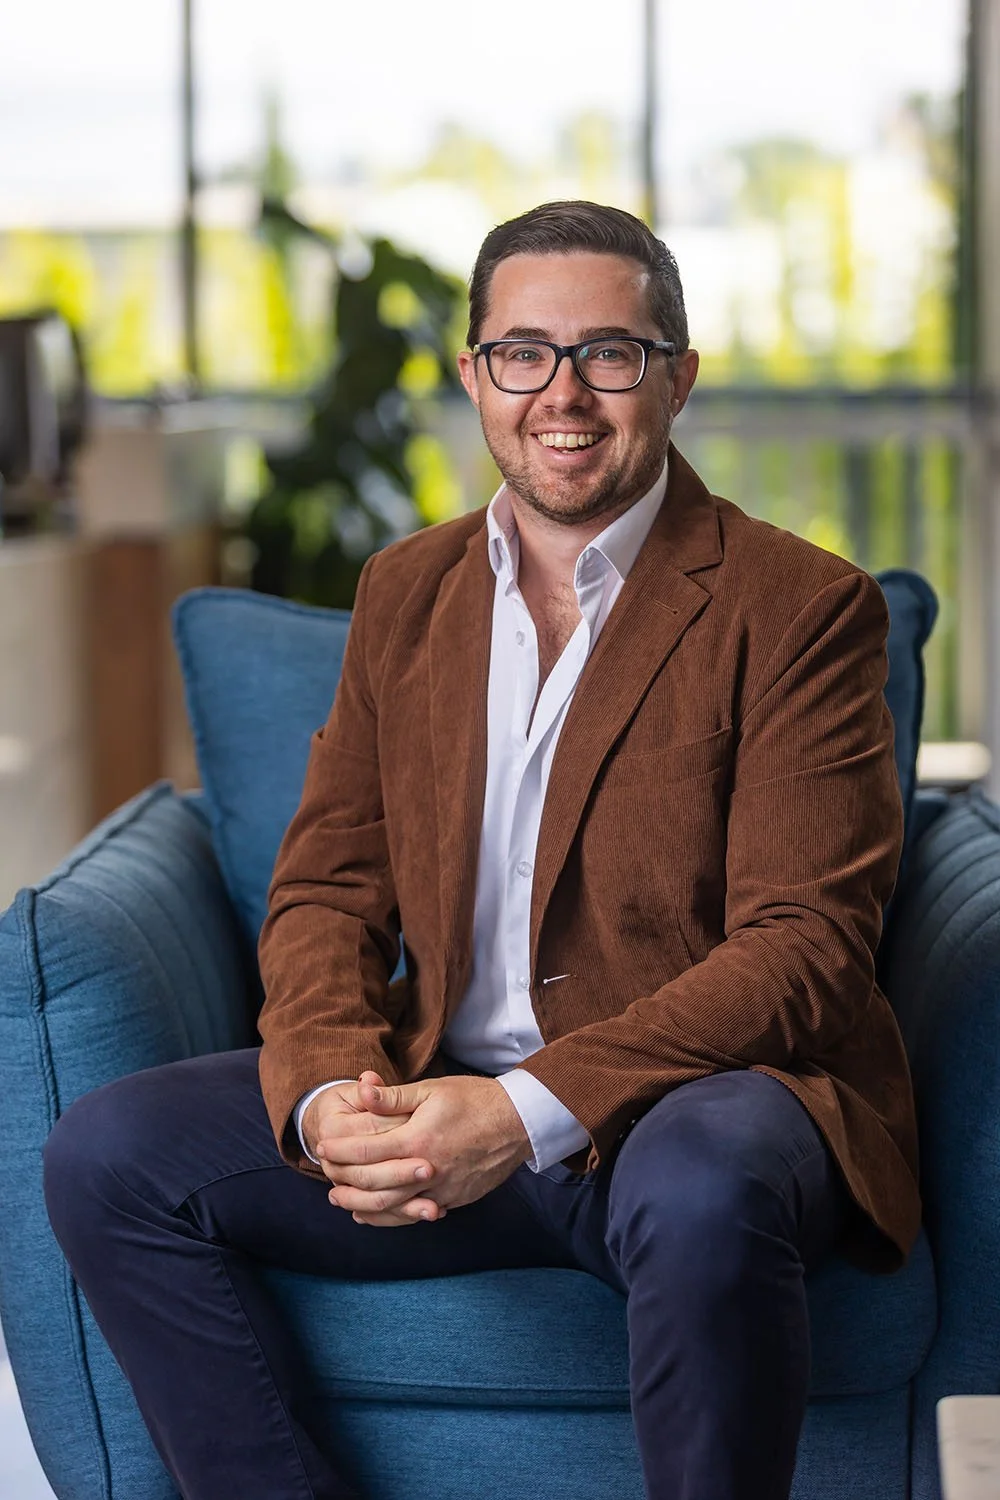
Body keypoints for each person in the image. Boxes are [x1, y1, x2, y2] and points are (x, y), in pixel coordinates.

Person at [43, 200, 920, 1500]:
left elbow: (804, 955)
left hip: (692, 1105)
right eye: (523, 352)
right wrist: (336, 1089)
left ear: (677, 375)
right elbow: (329, 887)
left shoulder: (799, 610)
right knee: (109, 1156)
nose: (563, 394)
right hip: (434, 1084)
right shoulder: (409, 591)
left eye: (610, 353)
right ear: (474, 377)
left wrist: (523, 1112)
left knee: (701, 1181)